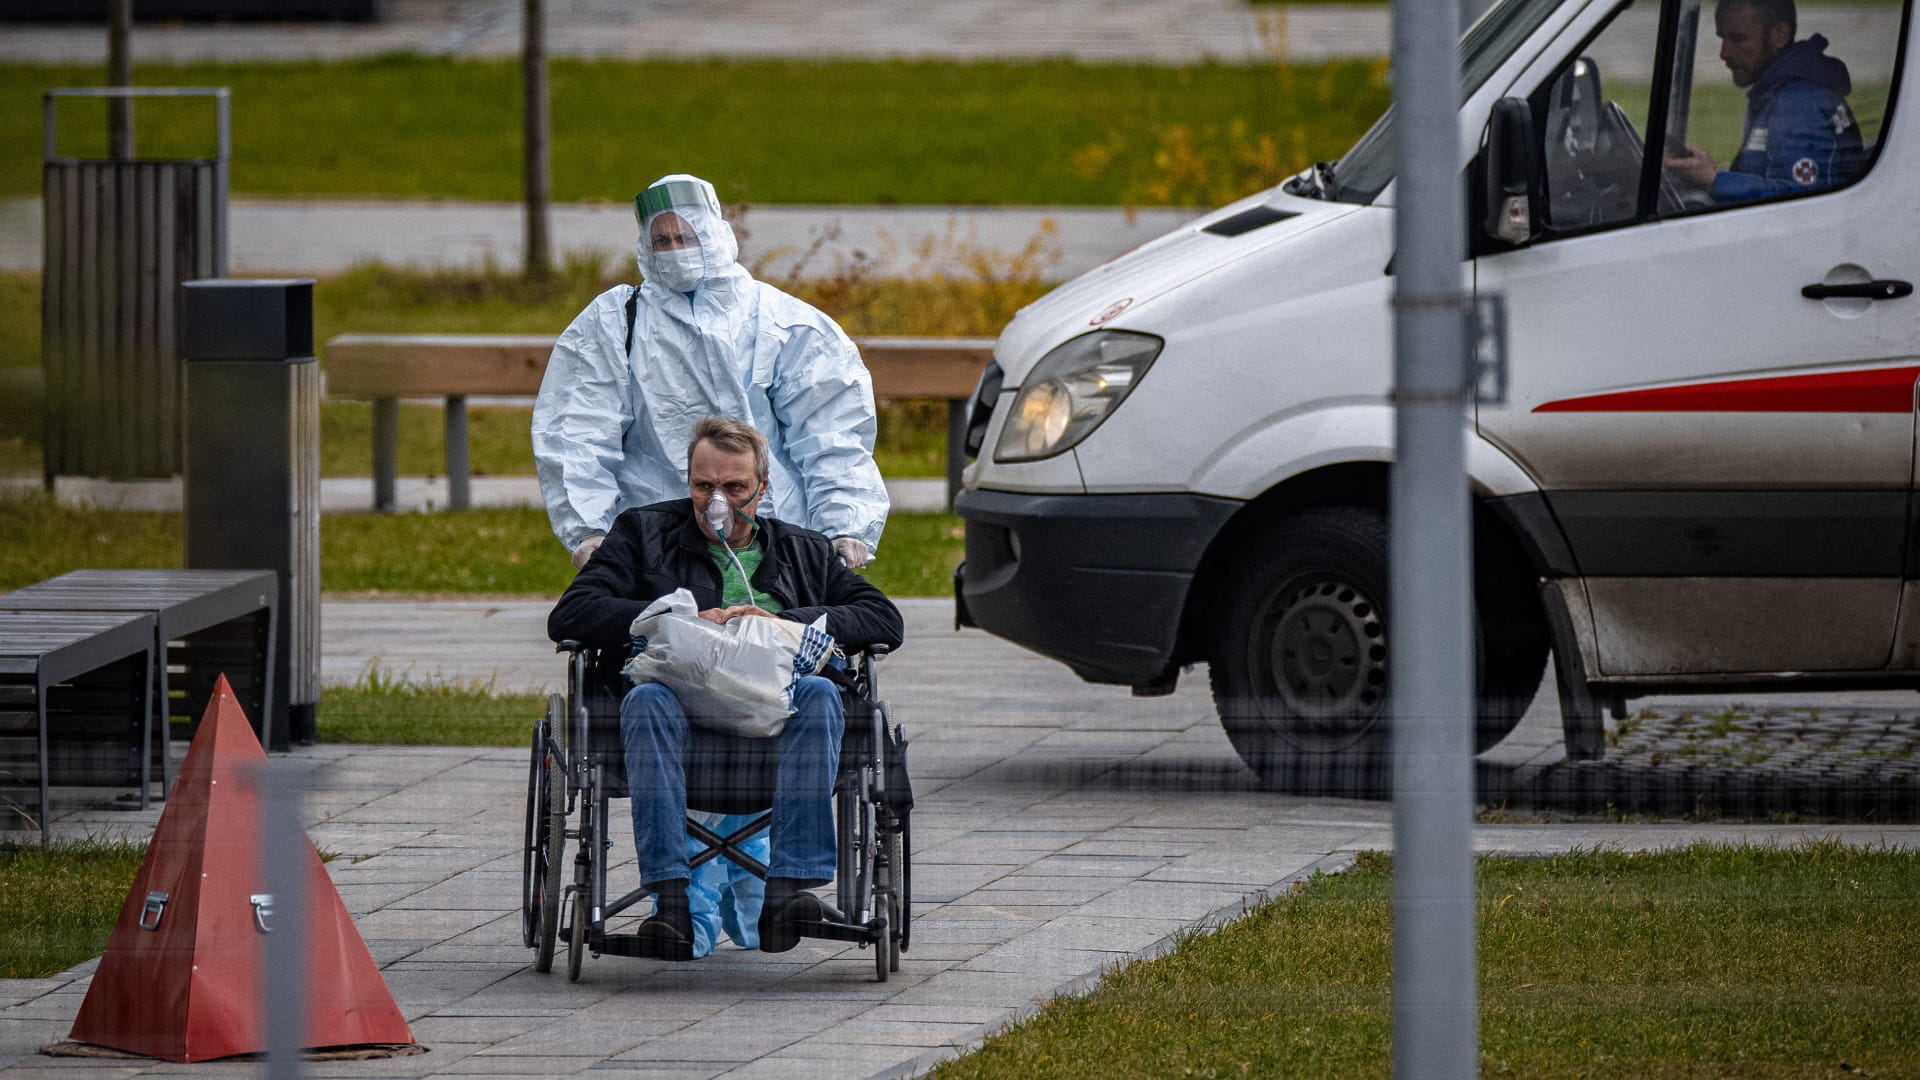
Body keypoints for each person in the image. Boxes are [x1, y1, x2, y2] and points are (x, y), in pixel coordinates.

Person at [547, 416, 905, 961]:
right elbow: (571, 614)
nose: (718, 500)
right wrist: (673, 619)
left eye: (734, 488)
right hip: (675, 718)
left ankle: (788, 891)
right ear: (688, 482)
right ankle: (671, 903)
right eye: (703, 486)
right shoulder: (643, 535)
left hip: (778, 721)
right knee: (644, 699)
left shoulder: (803, 552)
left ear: (762, 490)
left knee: (822, 694)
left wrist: (780, 620)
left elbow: (882, 619)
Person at [532, 173, 888, 574]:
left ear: (715, 233)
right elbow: (579, 431)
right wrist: (590, 531)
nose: (674, 250)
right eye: (661, 241)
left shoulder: (783, 323)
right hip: (657, 542)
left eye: (685, 237)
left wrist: (843, 526)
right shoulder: (615, 322)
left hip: (775, 537)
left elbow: (831, 435)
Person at [1666, 0, 1865, 202]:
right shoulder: (1782, 93)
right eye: (1723, 38)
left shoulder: (1800, 103)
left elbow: (1798, 200)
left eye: (1738, 39)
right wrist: (1706, 175)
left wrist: (1714, 180)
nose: (1724, 53)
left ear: (1780, 35)